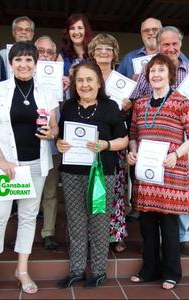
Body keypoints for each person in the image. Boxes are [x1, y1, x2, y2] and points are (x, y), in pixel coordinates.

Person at [0, 41, 58, 295]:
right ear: (10, 63)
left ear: (36, 64)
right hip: (7, 166)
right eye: (18, 60)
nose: (24, 64)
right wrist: (1, 159)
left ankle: (21, 270)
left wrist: (51, 133)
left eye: (29, 60)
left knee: (27, 216)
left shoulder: (47, 92)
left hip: (36, 164)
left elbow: (55, 128)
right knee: (0, 215)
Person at [56, 61, 128, 288]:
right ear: (74, 84)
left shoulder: (110, 107)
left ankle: (98, 271)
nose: (84, 84)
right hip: (71, 173)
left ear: (99, 83)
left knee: (99, 222)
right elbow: (60, 137)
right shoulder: (68, 107)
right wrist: (59, 144)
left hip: (101, 174)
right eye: (80, 80)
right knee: (76, 223)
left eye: (89, 79)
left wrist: (105, 145)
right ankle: (76, 270)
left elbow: (124, 140)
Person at [127, 54, 189, 290]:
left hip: (170, 173)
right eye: (152, 71)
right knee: (147, 226)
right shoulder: (140, 104)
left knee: (169, 227)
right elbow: (133, 134)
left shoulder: (181, 102)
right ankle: (149, 270)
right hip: (146, 174)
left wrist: (176, 155)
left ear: (170, 75)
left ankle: (172, 273)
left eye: (161, 70)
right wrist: (131, 152)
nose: (156, 74)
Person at [88, 33, 127, 253]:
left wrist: (127, 105)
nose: (104, 52)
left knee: (115, 189)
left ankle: (116, 234)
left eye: (108, 49)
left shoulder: (123, 80)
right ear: (92, 52)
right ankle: (92, 235)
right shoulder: (85, 75)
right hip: (88, 140)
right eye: (99, 48)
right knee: (91, 188)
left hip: (114, 139)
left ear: (114, 53)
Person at [34, 35, 60, 250]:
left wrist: (66, 87)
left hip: (52, 146)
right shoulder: (22, 76)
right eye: (40, 51)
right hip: (25, 148)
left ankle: (48, 232)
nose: (44, 55)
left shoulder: (62, 80)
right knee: (27, 192)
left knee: (50, 191)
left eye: (49, 52)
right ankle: (26, 232)